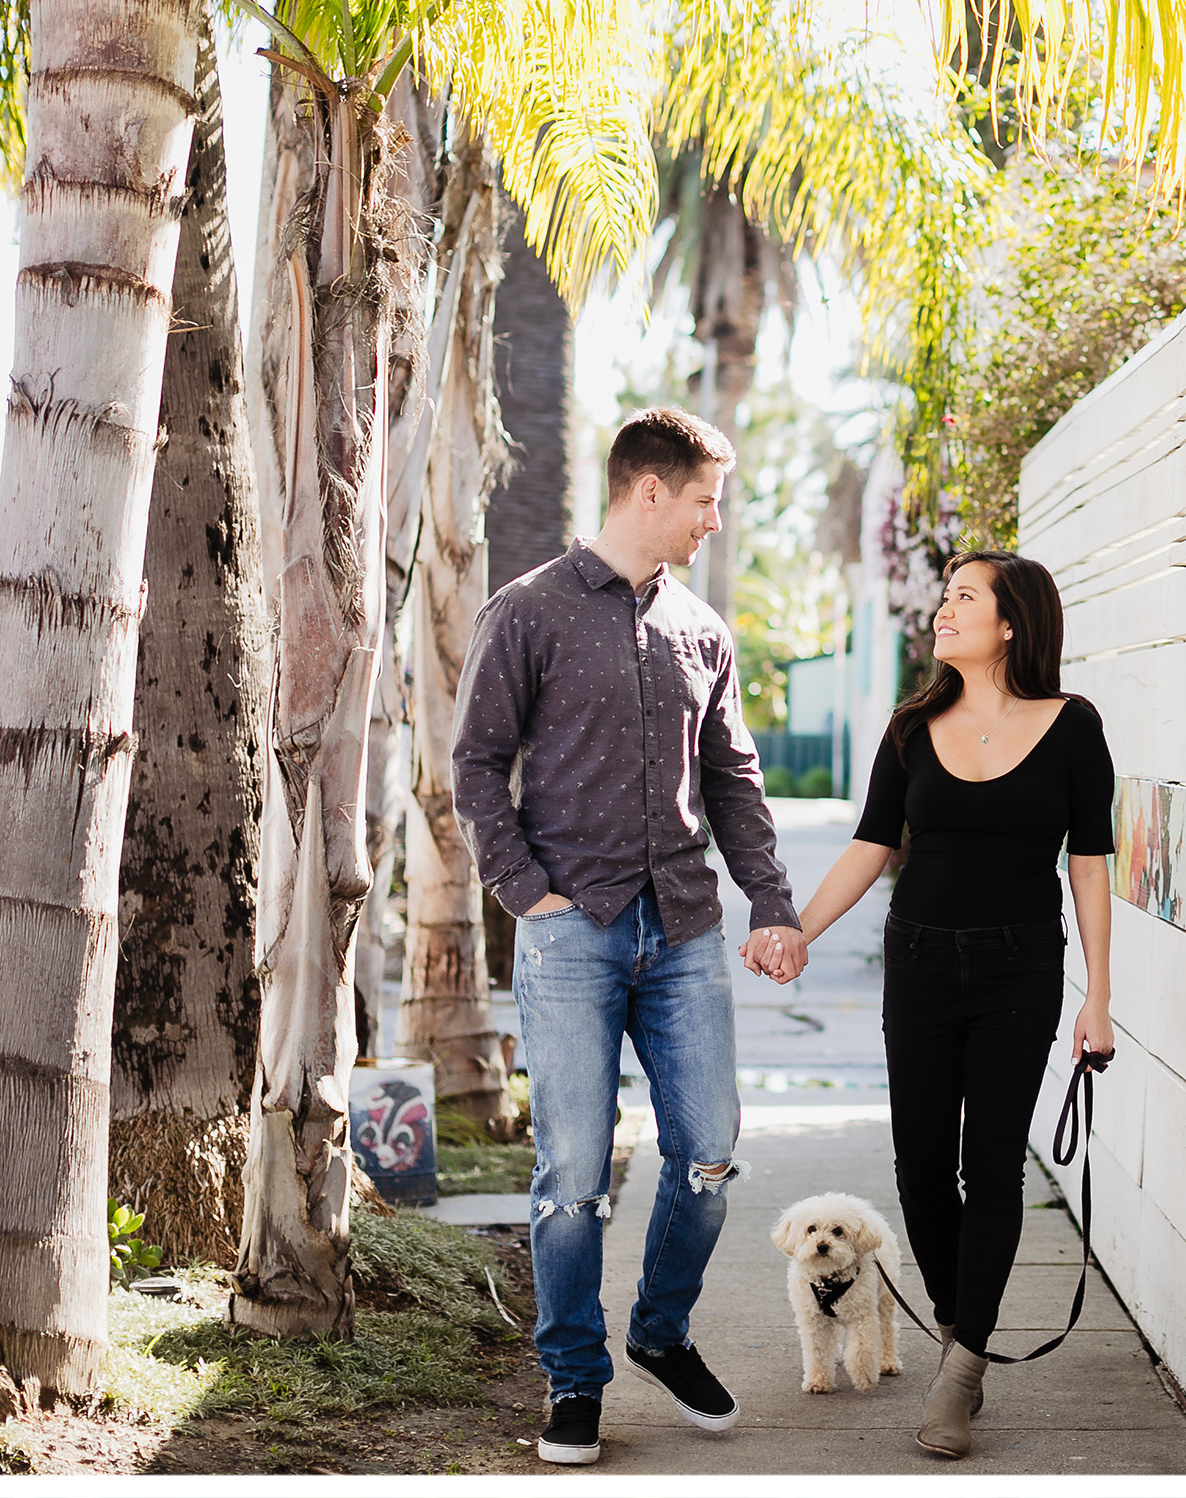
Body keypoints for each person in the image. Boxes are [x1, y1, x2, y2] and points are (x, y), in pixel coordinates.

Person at [451, 407, 809, 1466]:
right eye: (704, 500)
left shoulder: (704, 628)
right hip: (573, 932)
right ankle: (574, 1378)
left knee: (706, 1150)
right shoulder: (527, 612)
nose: (713, 520)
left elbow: (734, 779)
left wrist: (773, 902)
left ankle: (659, 1331)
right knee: (571, 1172)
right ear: (647, 490)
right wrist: (524, 890)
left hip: (686, 929)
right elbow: (476, 763)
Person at [793, 549, 1117, 1459]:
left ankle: (962, 1366)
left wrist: (1099, 998)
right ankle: (955, 1324)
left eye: (964, 598)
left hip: (1022, 970)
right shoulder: (910, 726)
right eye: (943, 597)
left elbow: (1088, 864)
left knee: (995, 1170)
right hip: (923, 962)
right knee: (922, 1170)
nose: (943, 611)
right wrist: (800, 930)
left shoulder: (1073, 727)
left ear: (1012, 622)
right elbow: (869, 847)